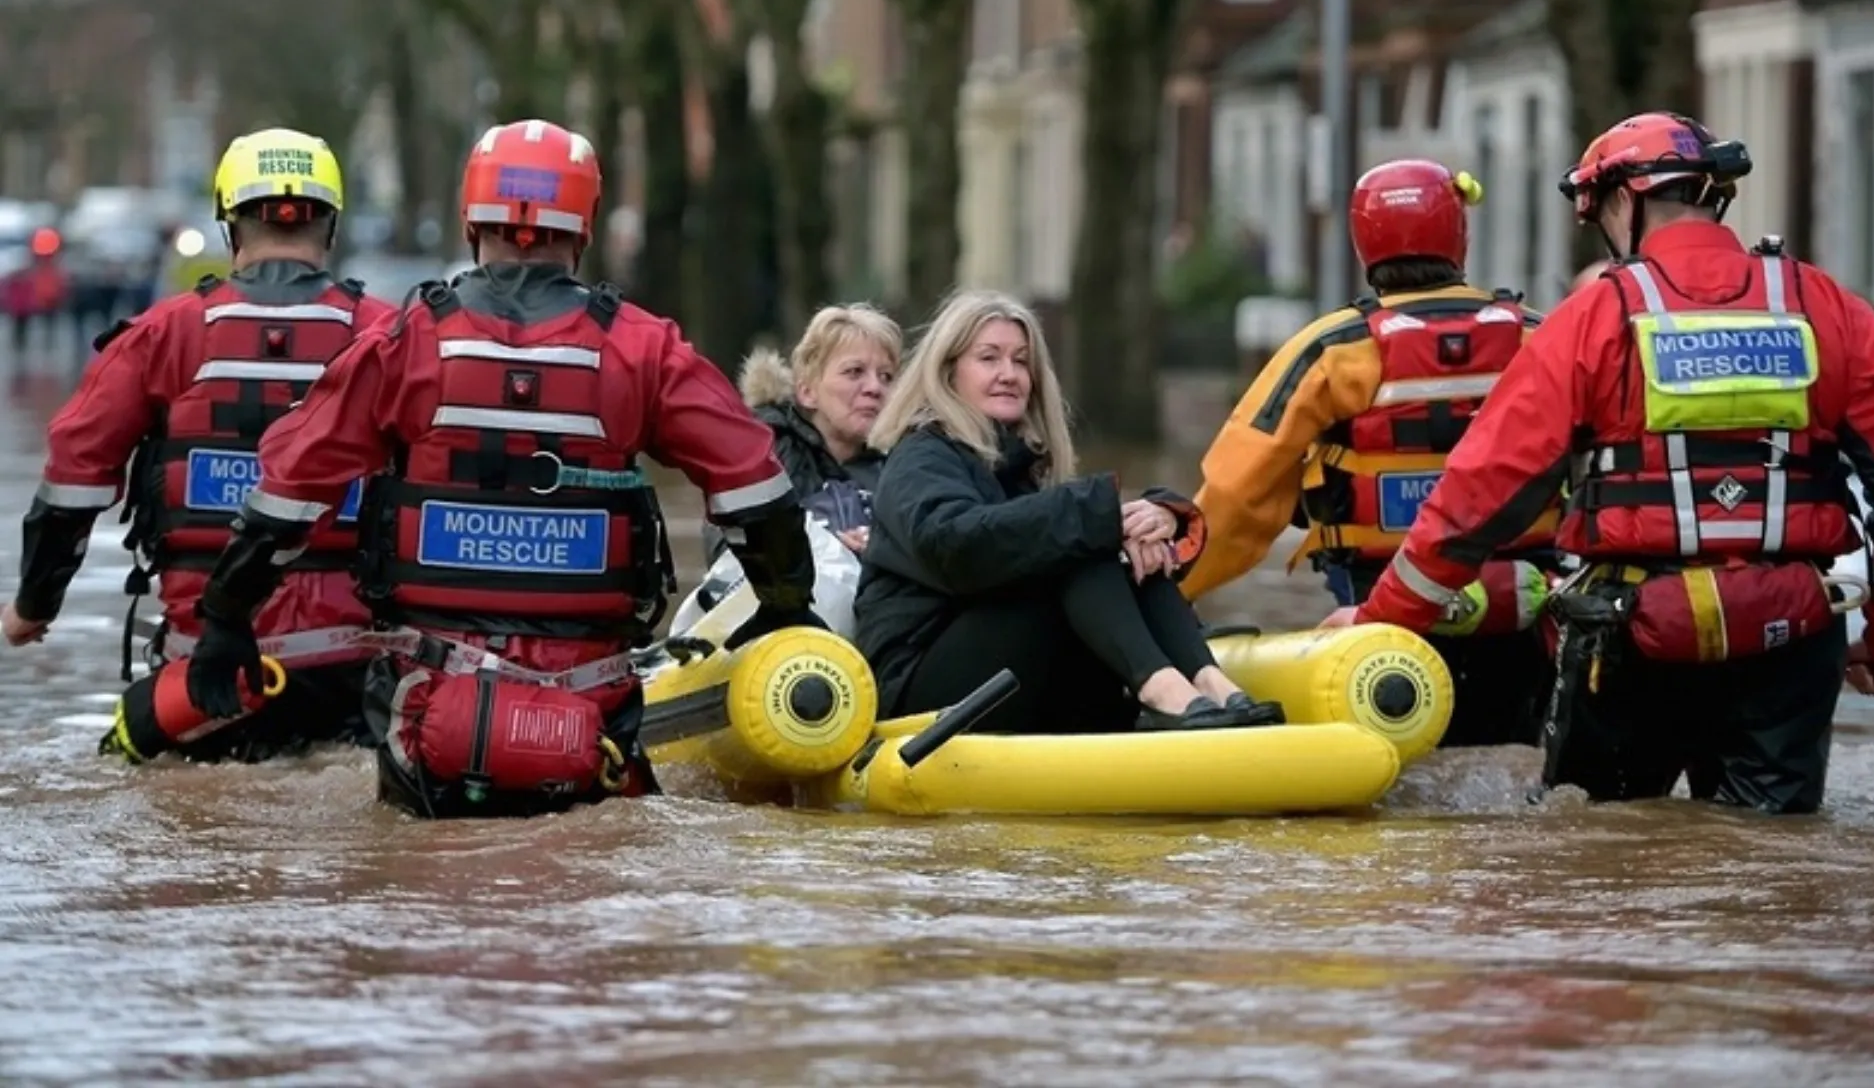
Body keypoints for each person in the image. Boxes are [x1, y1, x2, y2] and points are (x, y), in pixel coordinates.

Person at [179, 117, 824, 819]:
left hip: (427, 708)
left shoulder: (405, 342)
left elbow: (288, 495)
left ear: (469, 220)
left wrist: (226, 620)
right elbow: (756, 489)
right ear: (583, 227)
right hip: (589, 703)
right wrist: (787, 606)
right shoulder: (646, 350)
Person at [1326, 112, 1874, 814]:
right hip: (1790, 639)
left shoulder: (1594, 317)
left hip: (1634, 641)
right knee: (1769, 864)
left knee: (1593, 847)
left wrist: (1384, 618)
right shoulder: (1825, 307)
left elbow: (1482, 496)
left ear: (1619, 202)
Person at [1, 128, 396, 762]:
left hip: (204, 675)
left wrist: (33, 604)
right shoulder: (390, 335)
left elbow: (76, 473)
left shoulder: (165, 334)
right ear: (331, 224)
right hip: (352, 676)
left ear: (228, 223)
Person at [1181, 161, 1560, 747]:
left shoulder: (1332, 350)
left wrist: (1173, 592)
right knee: (1515, 752)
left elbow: (1239, 492)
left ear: (1363, 245)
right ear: (1459, 235)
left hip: (1378, 601)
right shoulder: (1542, 336)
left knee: (1407, 756)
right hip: (1528, 595)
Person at [854, 289, 1282, 733]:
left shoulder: (1022, 465)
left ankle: (1207, 682)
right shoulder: (921, 454)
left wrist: (1157, 519)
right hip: (921, 686)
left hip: (1015, 670)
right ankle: (1163, 694)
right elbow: (953, 547)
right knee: (1076, 539)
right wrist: (1097, 519)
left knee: (1104, 540)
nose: (1010, 374)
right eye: (989, 358)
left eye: (1021, 361)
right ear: (948, 374)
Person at [730, 302, 900, 553]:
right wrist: (824, 550)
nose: (875, 388)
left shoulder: (903, 463)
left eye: (886, 376)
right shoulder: (766, 451)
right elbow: (727, 544)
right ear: (807, 391)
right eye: (854, 372)